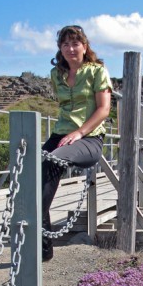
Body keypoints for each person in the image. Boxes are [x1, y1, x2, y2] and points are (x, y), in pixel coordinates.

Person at [42, 25, 112, 261]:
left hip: (89, 137)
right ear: (60, 49)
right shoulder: (56, 75)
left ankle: (39, 244)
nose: (71, 48)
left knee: (56, 157)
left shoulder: (96, 71)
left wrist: (80, 132)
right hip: (60, 135)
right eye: (65, 44)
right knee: (32, 177)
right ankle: (43, 248)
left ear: (84, 46)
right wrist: (66, 135)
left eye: (75, 43)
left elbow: (104, 109)